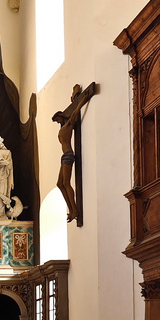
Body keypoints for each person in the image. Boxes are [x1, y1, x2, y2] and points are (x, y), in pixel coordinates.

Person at [53, 82, 98, 222]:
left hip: (68, 155)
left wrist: (82, 99)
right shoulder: (63, 128)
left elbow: (75, 111)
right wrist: (75, 99)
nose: (57, 122)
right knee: (59, 184)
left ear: (61, 117)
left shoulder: (68, 125)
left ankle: (75, 210)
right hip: (64, 156)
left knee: (66, 183)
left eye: (57, 120)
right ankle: (71, 209)